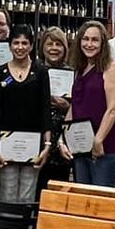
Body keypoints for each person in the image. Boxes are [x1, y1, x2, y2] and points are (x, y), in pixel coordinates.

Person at [0, 25, 52, 201]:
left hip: (33, 145)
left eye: (25, 43)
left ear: (31, 46)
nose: (20, 47)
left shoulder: (41, 72)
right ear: (9, 45)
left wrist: (47, 146)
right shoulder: (0, 72)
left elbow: (45, 110)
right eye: (16, 42)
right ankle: (7, 228)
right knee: (7, 193)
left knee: (27, 194)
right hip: (6, 145)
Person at [64, 20, 115, 187]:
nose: (89, 44)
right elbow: (74, 105)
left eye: (95, 40)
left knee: (99, 198)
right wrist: (64, 138)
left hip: (104, 146)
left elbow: (113, 109)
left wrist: (98, 140)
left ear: (103, 43)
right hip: (81, 145)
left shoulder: (110, 69)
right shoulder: (80, 68)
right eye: (85, 39)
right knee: (82, 196)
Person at [37, 26, 75, 195]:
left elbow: (80, 106)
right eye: (49, 44)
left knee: (59, 188)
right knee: (35, 188)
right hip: (36, 138)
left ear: (65, 48)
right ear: (42, 47)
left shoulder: (72, 73)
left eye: (58, 44)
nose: (53, 48)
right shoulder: (33, 71)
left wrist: (67, 107)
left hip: (62, 139)